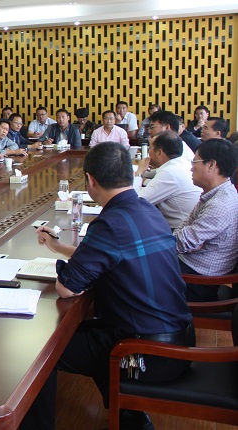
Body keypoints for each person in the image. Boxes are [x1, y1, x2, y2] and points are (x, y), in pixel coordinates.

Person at [22, 142, 193, 430]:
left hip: (144, 354)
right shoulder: (146, 209)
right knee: (82, 332)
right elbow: (112, 254)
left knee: (39, 353)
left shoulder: (109, 223)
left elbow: (67, 288)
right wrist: (59, 248)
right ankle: (129, 415)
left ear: (90, 180)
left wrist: (66, 267)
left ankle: (128, 414)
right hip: (178, 339)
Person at [173, 138, 238, 302]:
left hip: (198, 281)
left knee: (134, 268)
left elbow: (180, 243)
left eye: (195, 162)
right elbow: (185, 226)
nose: (191, 167)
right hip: (192, 267)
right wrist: (186, 240)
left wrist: (185, 240)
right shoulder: (218, 193)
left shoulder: (220, 205)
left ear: (211, 165)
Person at [133, 132, 201, 229]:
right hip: (187, 223)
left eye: (150, 148)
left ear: (159, 152)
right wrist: (142, 171)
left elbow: (135, 201)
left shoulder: (170, 173)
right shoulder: (179, 163)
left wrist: (139, 172)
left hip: (180, 230)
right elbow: (152, 173)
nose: (148, 153)